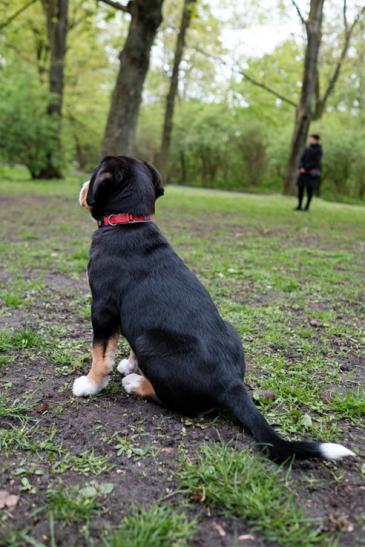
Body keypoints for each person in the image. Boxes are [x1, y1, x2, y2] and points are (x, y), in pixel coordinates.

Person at [295, 134, 323, 212]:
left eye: (311, 139)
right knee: (300, 188)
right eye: (310, 139)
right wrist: (300, 167)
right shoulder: (307, 149)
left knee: (309, 190)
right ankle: (299, 205)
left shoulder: (319, 150)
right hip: (303, 172)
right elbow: (302, 159)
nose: (310, 140)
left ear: (316, 140)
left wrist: (306, 168)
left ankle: (307, 207)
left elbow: (316, 162)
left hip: (311, 173)